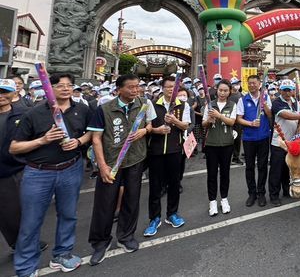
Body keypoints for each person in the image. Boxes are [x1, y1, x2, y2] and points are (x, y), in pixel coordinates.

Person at [10, 73, 93, 276]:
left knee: (68, 215)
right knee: (31, 221)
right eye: (60, 85)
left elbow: (91, 132)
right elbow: (14, 147)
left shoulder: (82, 109)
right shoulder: (34, 113)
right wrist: (43, 140)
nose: (65, 88)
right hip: (39, 172)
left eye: (69, 85)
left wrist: (80, 142)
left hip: (71, 168)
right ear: (50, 87)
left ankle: (62, 255)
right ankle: (25, 267)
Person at [87, 74, 156, 266]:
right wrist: (101, 165)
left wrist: (146, 130)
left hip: (135, 160)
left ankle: (126, 236)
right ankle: (100, 241)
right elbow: (96, 139)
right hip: (111, 163)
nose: (136, 90)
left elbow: (150, 123)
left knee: (131, 200)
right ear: (119, 89)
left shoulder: (143, 103)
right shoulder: (105, 109)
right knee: (105, 203)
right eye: (131, 87)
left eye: (137, 87)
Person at [0, 79, 48, 257]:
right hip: (4, 173)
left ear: (14, 93)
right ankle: (19, 243)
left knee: (28, 208)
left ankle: (28, 242)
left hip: (21, 168)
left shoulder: (24, 113)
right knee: (8, 212)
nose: (1, 96)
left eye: (5, 92)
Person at [143, 76, 191, 237]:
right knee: (155, 186)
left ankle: (172, 214)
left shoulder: (183, 105)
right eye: (168, 87)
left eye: (174, 87)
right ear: (162, 88)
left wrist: (175, 121)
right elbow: (146, 127)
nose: (171, 89)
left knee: (174, 184)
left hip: (175, 150)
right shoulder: (152, 105)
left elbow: (186, 126)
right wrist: (157, 130)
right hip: (155, 152)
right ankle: (154, 218)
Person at [269, 79, 300, 206]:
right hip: (279, 142)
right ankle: (274, 195)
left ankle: (286, 190)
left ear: (293, 90)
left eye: (289, 90)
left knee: (288, 169)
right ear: (280, 90)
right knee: (276, 170)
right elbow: (286, 115)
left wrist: (299, 128)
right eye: (284, 90)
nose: (287, 92)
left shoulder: (296, 102)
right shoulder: (277, 102)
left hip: (292, 143)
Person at [236, 75, 272, 207]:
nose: (252, 85)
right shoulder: (243, 100)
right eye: (249, 83)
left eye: (254, 83)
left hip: (263, 137)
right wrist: (251, 124)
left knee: (262, 166)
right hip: (248, 138)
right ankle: (252, 193)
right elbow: (239, 118)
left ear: (259, 84)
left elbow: (270, 115)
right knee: (249, 167)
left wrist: (264, 105)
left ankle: (261, 192)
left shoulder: (266, 97)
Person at [202, 79, 237, 216]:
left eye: (225, 90)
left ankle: (224, 199)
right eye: (220, 90)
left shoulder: (232, 105)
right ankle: (212, 202)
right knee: (211, 174)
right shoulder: (209, 105)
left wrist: (219, 115)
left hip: (227, 144)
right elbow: (204, 123)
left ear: (229, 92)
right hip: (211, 144)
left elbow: (231, 121)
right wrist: (209, 121)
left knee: (225, 173)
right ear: (216, 90)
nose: (222, 93)